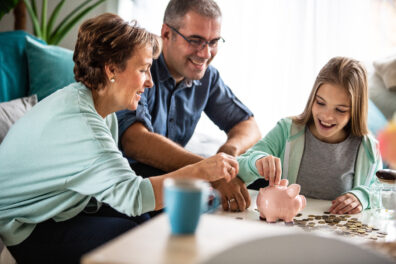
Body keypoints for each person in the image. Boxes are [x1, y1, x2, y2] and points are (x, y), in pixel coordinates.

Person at [0, 13, 239, 264]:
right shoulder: (83, 124)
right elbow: (134, 197)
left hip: (63, 207)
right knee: (133, 238)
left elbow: (124, 190)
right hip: (27, 226)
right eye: (143, 69)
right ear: (112, 69)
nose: (149, 82)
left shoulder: (97, 107)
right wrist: (202, 170)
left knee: (146, 220)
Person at [117, 0, 262, 213]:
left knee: (260, 178)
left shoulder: (207, 77)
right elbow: (135, 140)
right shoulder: (141, 65)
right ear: (166, 34)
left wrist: (227, 152)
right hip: (133, 180)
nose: (205, 53)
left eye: (213, 42)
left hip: (179, 177)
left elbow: (249, 126)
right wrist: (207, 171)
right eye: (195, 40)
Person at [237, 57, 383, 215]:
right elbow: (239, 167)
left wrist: (363, 196)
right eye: (320, 102)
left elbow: (381, 191)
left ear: (356, 110)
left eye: (340, 110)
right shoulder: (286, 130)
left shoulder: (369, 148)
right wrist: (256, 161)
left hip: (339, 235)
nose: (327, 116)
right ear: (312, 98)